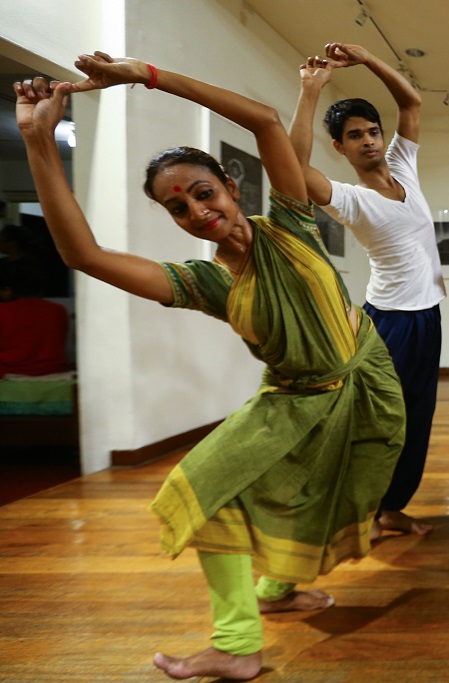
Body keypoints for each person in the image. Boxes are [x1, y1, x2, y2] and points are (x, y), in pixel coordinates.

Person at [15, 52, 405, 680]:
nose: (198, 211)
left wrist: (146, 75)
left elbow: (267, 123)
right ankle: (237, 643)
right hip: (293, 395)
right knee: (206, 489)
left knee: (320, 491)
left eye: (204, 193)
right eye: (179, 208)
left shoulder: (291, 224)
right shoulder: (205, 283)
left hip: (366, 384)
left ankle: (278, 590)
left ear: (231, 188)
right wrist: (38, 141)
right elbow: (83, 254)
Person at [289, 43, 445, 537]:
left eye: (372, 131)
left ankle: (392, 507)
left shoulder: (403, 166)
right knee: (381, 419)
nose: (369, 141)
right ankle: (362, 510)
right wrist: (309, 91)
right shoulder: (349, 198)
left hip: (429, 314)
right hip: (390, 321)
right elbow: (291, 169)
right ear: (339, 147)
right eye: (354, 136)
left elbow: (412, 104)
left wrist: (366, 57)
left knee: (418, 419)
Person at [0, 258, 70, 378]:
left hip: (8, 382)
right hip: (55, 381)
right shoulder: (57, 311)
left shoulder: (3, 311)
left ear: (7, 290)